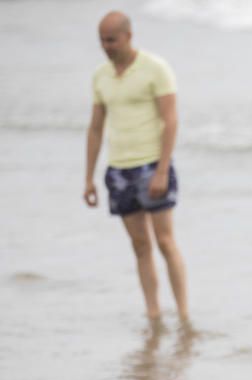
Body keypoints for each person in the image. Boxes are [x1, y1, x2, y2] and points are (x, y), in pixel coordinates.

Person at [84, 11, 188, 321]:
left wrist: (162, 170)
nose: (106, 46)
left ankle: (183, 314)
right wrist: (88, 178)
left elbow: (170, 120)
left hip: (152, 166)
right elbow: (95, 128)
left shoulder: (155, 69)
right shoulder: (100, 76)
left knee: (165, 241)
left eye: (111, 40)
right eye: (102, 40)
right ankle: (153, 314)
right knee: (140, 245)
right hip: (118, 170)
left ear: (128, 36)